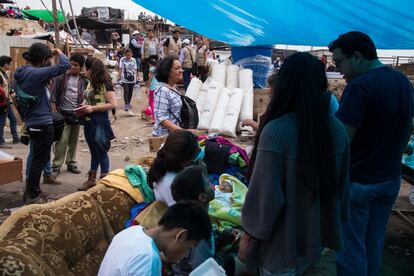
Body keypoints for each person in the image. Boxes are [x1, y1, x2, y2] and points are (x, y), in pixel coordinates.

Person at [238, 52, 350, 275]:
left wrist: (247, 235)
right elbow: (342, 189)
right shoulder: (337, 130)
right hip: (313, 239)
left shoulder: (277, 131)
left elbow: (265, 198)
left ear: (284, 84)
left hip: (279, 245)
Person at [329, 31, 414, 276]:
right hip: (389, 180)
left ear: (356, 56)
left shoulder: (360, 86)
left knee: (351, 249)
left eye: (339, 62)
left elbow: (341, 140)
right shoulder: (401, 82)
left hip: (359, 182)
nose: (338, 69)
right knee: (373, 245)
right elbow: (407, 126)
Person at [14, 43, 70, 203]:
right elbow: (64, 65)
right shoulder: (37, 74)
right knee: (39, 160)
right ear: (43, 59)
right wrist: (58, 51)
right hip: (42, 124)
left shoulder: (21, 73)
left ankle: (33, 190)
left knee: (37, 159)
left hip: (32, 122)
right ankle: (33, 195)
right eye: (47, 58)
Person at [98, 202, 212, 276]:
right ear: (180, 235)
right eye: (189, 248)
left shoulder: (132, 231)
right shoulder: (148, 259)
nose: (185, 255)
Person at [76, 57, 117, 191]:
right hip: (89, 122)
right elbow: (88, 99)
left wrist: (93, 108)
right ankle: (91, 179)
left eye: (85, 68)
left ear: (90, 70)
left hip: (100, 122)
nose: (84, 71)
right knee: (94, 152)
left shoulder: (106, 85)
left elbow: (113, 104)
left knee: (102, 151)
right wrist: (83, 106)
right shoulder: (90, 83)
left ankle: (104, 183)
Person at [50, 53, 87, 176]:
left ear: (81, 67)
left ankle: (71, 162)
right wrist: (55, 111)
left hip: (77, 113)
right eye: (71, 64)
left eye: (76, 65)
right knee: (61, 140)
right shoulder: (61, 76)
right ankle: (56, 165)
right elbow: (53, 94)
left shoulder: (83, 79)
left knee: (73, 140)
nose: (72, 67)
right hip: (63, 113)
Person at [148, 129, 203, 206]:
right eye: (198, 152)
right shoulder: (173, 184)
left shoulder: (167, 160)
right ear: (185, 162)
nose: (201, 153)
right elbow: (184, 214)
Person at [152, 56, 184, 137]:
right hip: (165, 136)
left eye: (181, 68)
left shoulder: (174, 87)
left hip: (175, 134)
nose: (181, 71)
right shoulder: (163, 90)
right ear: (167, 71)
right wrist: (183, 132)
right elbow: (160, 117)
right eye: (177, 68)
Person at [0, 55, 19, 149]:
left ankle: (15, 138)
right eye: (10, 64)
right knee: (1, 122)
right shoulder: (0, 75)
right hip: (2, 103)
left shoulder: (4, 74)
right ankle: (1, 141)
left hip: (7, 103)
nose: (10, 66)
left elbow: (9, 88)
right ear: (5, 64)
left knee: (13, 119)